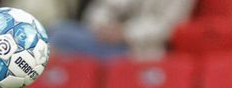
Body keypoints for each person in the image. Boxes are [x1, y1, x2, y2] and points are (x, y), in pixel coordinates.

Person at [47, 0, 195, 59]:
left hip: (139, 48)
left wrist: (124, 33)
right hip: (106, 38)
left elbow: (168, 26)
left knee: (60, 35)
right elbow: (103, 9)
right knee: (52, 31)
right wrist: (103, 27)